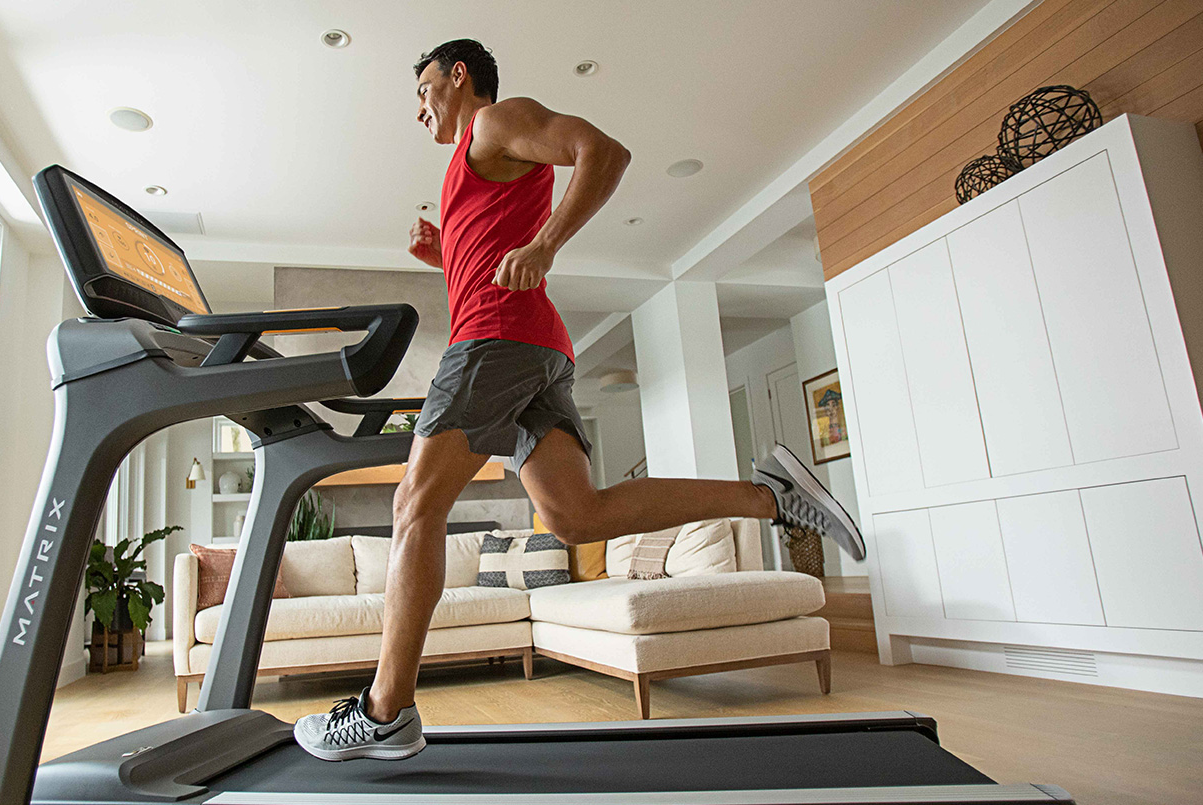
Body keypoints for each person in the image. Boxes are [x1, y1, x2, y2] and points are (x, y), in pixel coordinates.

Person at [293, 39, 863, 762]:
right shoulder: (475, 156)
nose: (420, 109)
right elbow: (494, 253)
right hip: (533, 344)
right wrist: (446, 254)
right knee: (574, 516)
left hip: (496, 340)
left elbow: (605, 153)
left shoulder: (495, 122)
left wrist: (550, 245)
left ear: (458, 76)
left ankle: (384, 710)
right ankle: (767, 494)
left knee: (413, 506)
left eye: (424, 91)